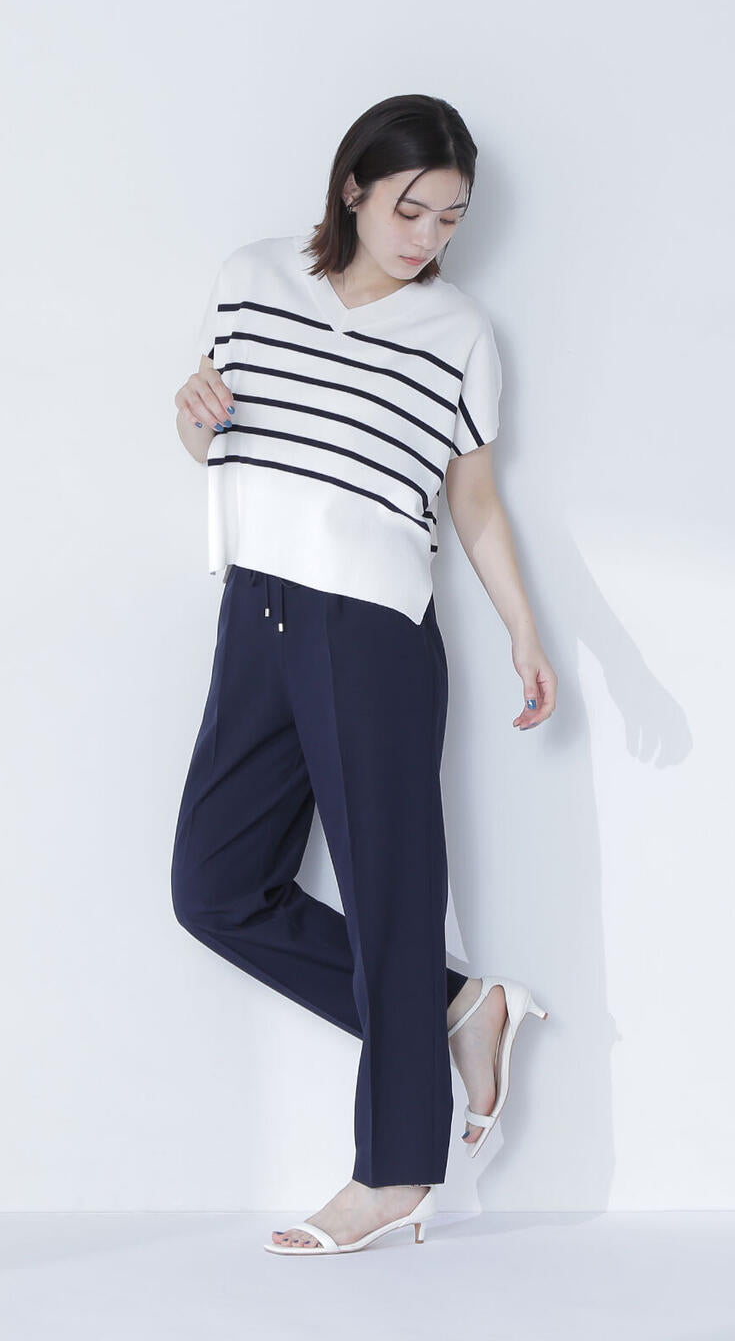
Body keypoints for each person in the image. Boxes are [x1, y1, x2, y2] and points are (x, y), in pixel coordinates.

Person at [170, 94, 556, 1257]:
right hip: (255, 611)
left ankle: (394, 1174)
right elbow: (214, 435)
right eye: (408, 208)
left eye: (449, 217)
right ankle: (456, 1006)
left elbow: (470, 498)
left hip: (373, 628)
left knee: (388, 895)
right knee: (214, 889)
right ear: (352, 188)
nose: (425, 236)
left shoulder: (458, 332)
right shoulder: (249, 280)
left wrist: (522, 631)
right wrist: (189, 417)